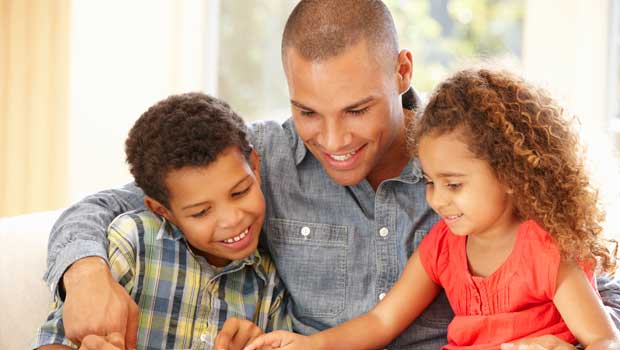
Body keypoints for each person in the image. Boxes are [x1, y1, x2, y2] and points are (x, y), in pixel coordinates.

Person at [42, 1, 620, 349]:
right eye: (307, 111)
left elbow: (600, 289)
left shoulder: (472, 160)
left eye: (357, 110)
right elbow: (108, 206)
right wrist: (85, 273)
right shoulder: (258, 163)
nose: (334, 141)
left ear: (401, 71)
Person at [242, 68, 620, 350]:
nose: (437, 199)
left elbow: (604, 340)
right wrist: (310, 345)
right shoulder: (442, 247)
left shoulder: (545, 251)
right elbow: (381, 320)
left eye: (453, 184)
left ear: (510, 174)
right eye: (429, 181)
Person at [33, 93, 291, 350]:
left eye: (240, 192)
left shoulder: (268, 282)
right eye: (201, 212)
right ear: (163, 210)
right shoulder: (131, 243)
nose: (232, 219)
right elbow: (54, 341)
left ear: (255, 166)